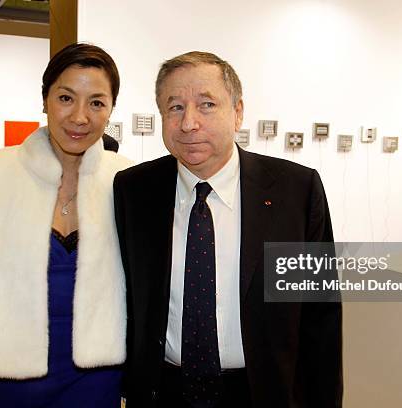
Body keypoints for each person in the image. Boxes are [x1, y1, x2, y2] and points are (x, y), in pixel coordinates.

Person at [114, 52, 342, 407]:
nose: (189, 123)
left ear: (237, 112)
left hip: (260, 393)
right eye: (174, 108)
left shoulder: (295, 191)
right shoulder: (134, 190)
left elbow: (320, 317)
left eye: (207, 104)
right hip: (165, 393)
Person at [0, 43, 131, 408]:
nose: (80, 117)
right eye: (66, 98)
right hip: (13, 371)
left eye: (96, 102)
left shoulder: (124, 179)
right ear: (45, 99)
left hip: (99, 375)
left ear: (110, 110)